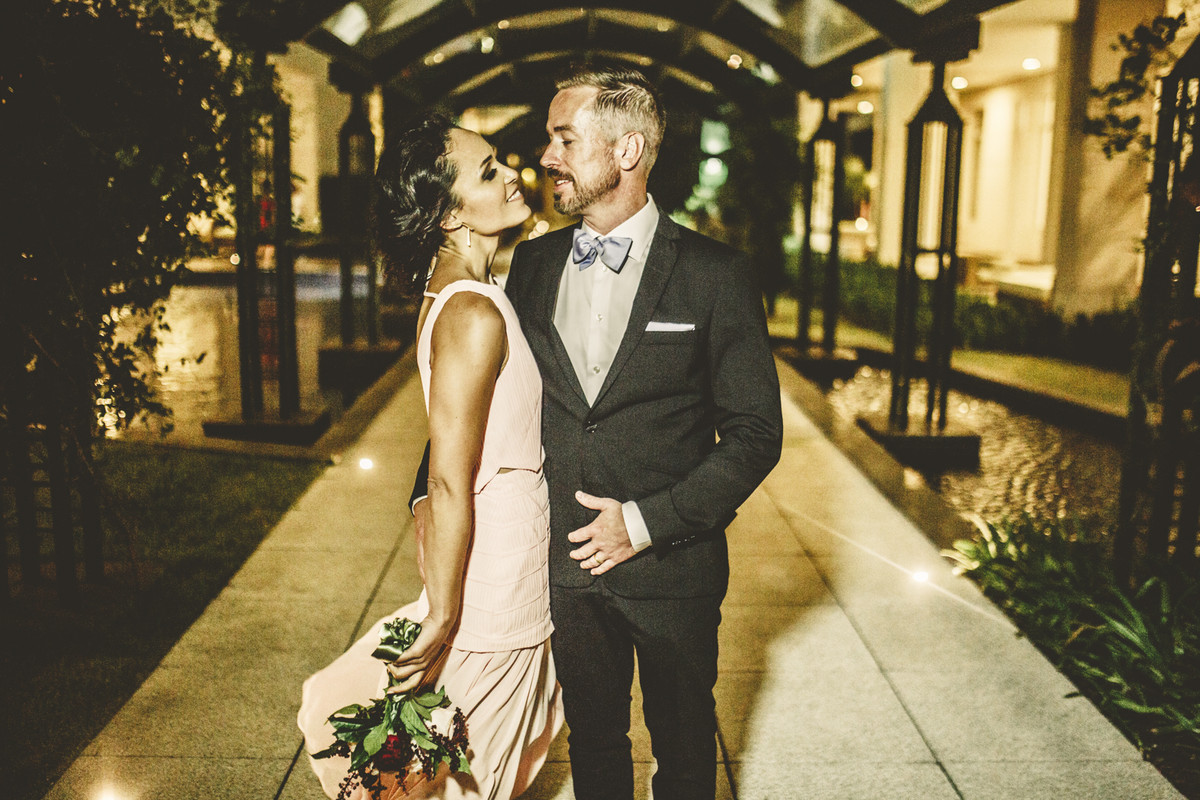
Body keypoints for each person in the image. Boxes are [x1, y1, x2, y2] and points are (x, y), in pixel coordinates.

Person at [413, 65, 783, 800]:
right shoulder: (533, 264)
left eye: (565, 139)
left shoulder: (716, 275)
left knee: (684, 750)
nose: (546, 156)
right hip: (562, 571)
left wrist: (644, 523)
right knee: (593, 745)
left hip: (673, 568)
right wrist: (426, 497)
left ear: (627, 150)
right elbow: (475, 401)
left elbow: (755, 434)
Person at [298, 114, 562, 800]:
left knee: (450, 770)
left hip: (500, 558)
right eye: (488, 172)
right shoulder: (472, 313)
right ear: (449, 214)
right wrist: (443, 614)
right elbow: (447, 477)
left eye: (500, 162)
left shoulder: (458, 293)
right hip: (498, 574)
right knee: (464, 776)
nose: (510, 176)